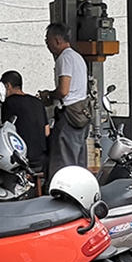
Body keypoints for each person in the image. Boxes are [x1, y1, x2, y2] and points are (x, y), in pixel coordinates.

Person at [41, 22, 92, 175]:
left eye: (47, 39)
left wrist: (48, 95)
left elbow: (63, 90)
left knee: (64, 161)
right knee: (78, 159)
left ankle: (64, 194)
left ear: (57, 40)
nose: (46, 43)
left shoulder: (64, 58)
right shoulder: (78, 57)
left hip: (68, 115)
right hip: (80, 113)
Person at [0, 70, 49, 178]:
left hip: (22, 160)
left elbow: (6, 133)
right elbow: (47, 132)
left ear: (8, 86)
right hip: (41, 160)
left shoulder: (9, 103)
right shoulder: (37, 102)